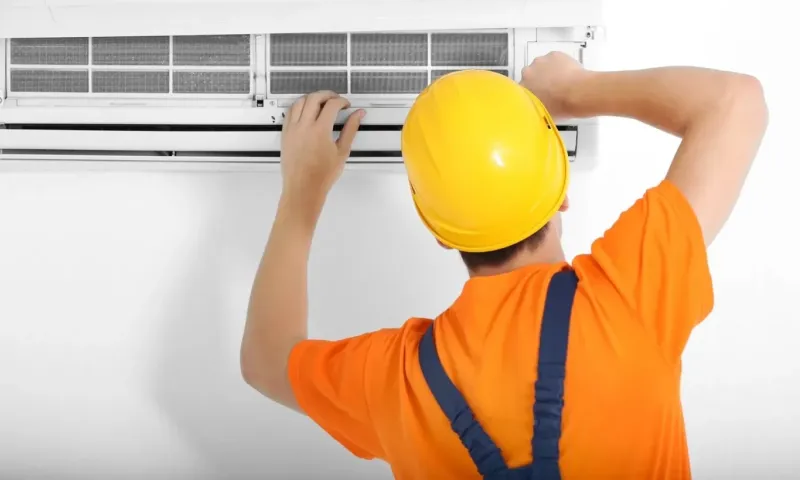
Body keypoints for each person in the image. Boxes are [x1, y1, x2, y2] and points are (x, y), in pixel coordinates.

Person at [240, 52, 768, 479]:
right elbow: (735, 102)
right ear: (561, 193)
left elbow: (265, 362)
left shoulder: (396, 381)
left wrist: (302, 193)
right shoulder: (627, 298)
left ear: (439, 232)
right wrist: (574, 90)